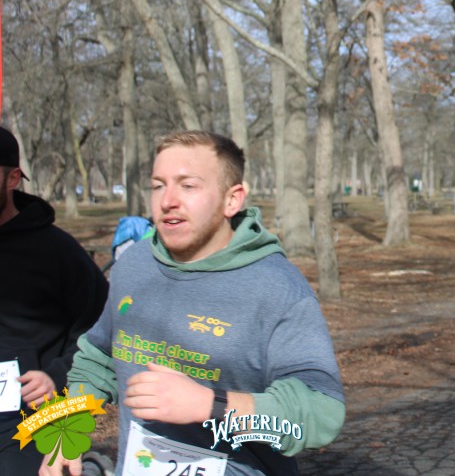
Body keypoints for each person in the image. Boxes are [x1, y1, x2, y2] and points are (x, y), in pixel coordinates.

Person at [42, 131, 345, 475]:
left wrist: (211, 406)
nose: (168, 200)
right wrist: (67, 431)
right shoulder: (133, 264)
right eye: (158, 185)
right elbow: (98, 358)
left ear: (232, 200)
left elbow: (321, 414)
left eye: (188, 186)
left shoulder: (277, 289)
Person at [0, 126, 109, 475]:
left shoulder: (57, 251)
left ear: (12, 178)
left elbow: (101, 331)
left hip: (30, 421)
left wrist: (56, 375)